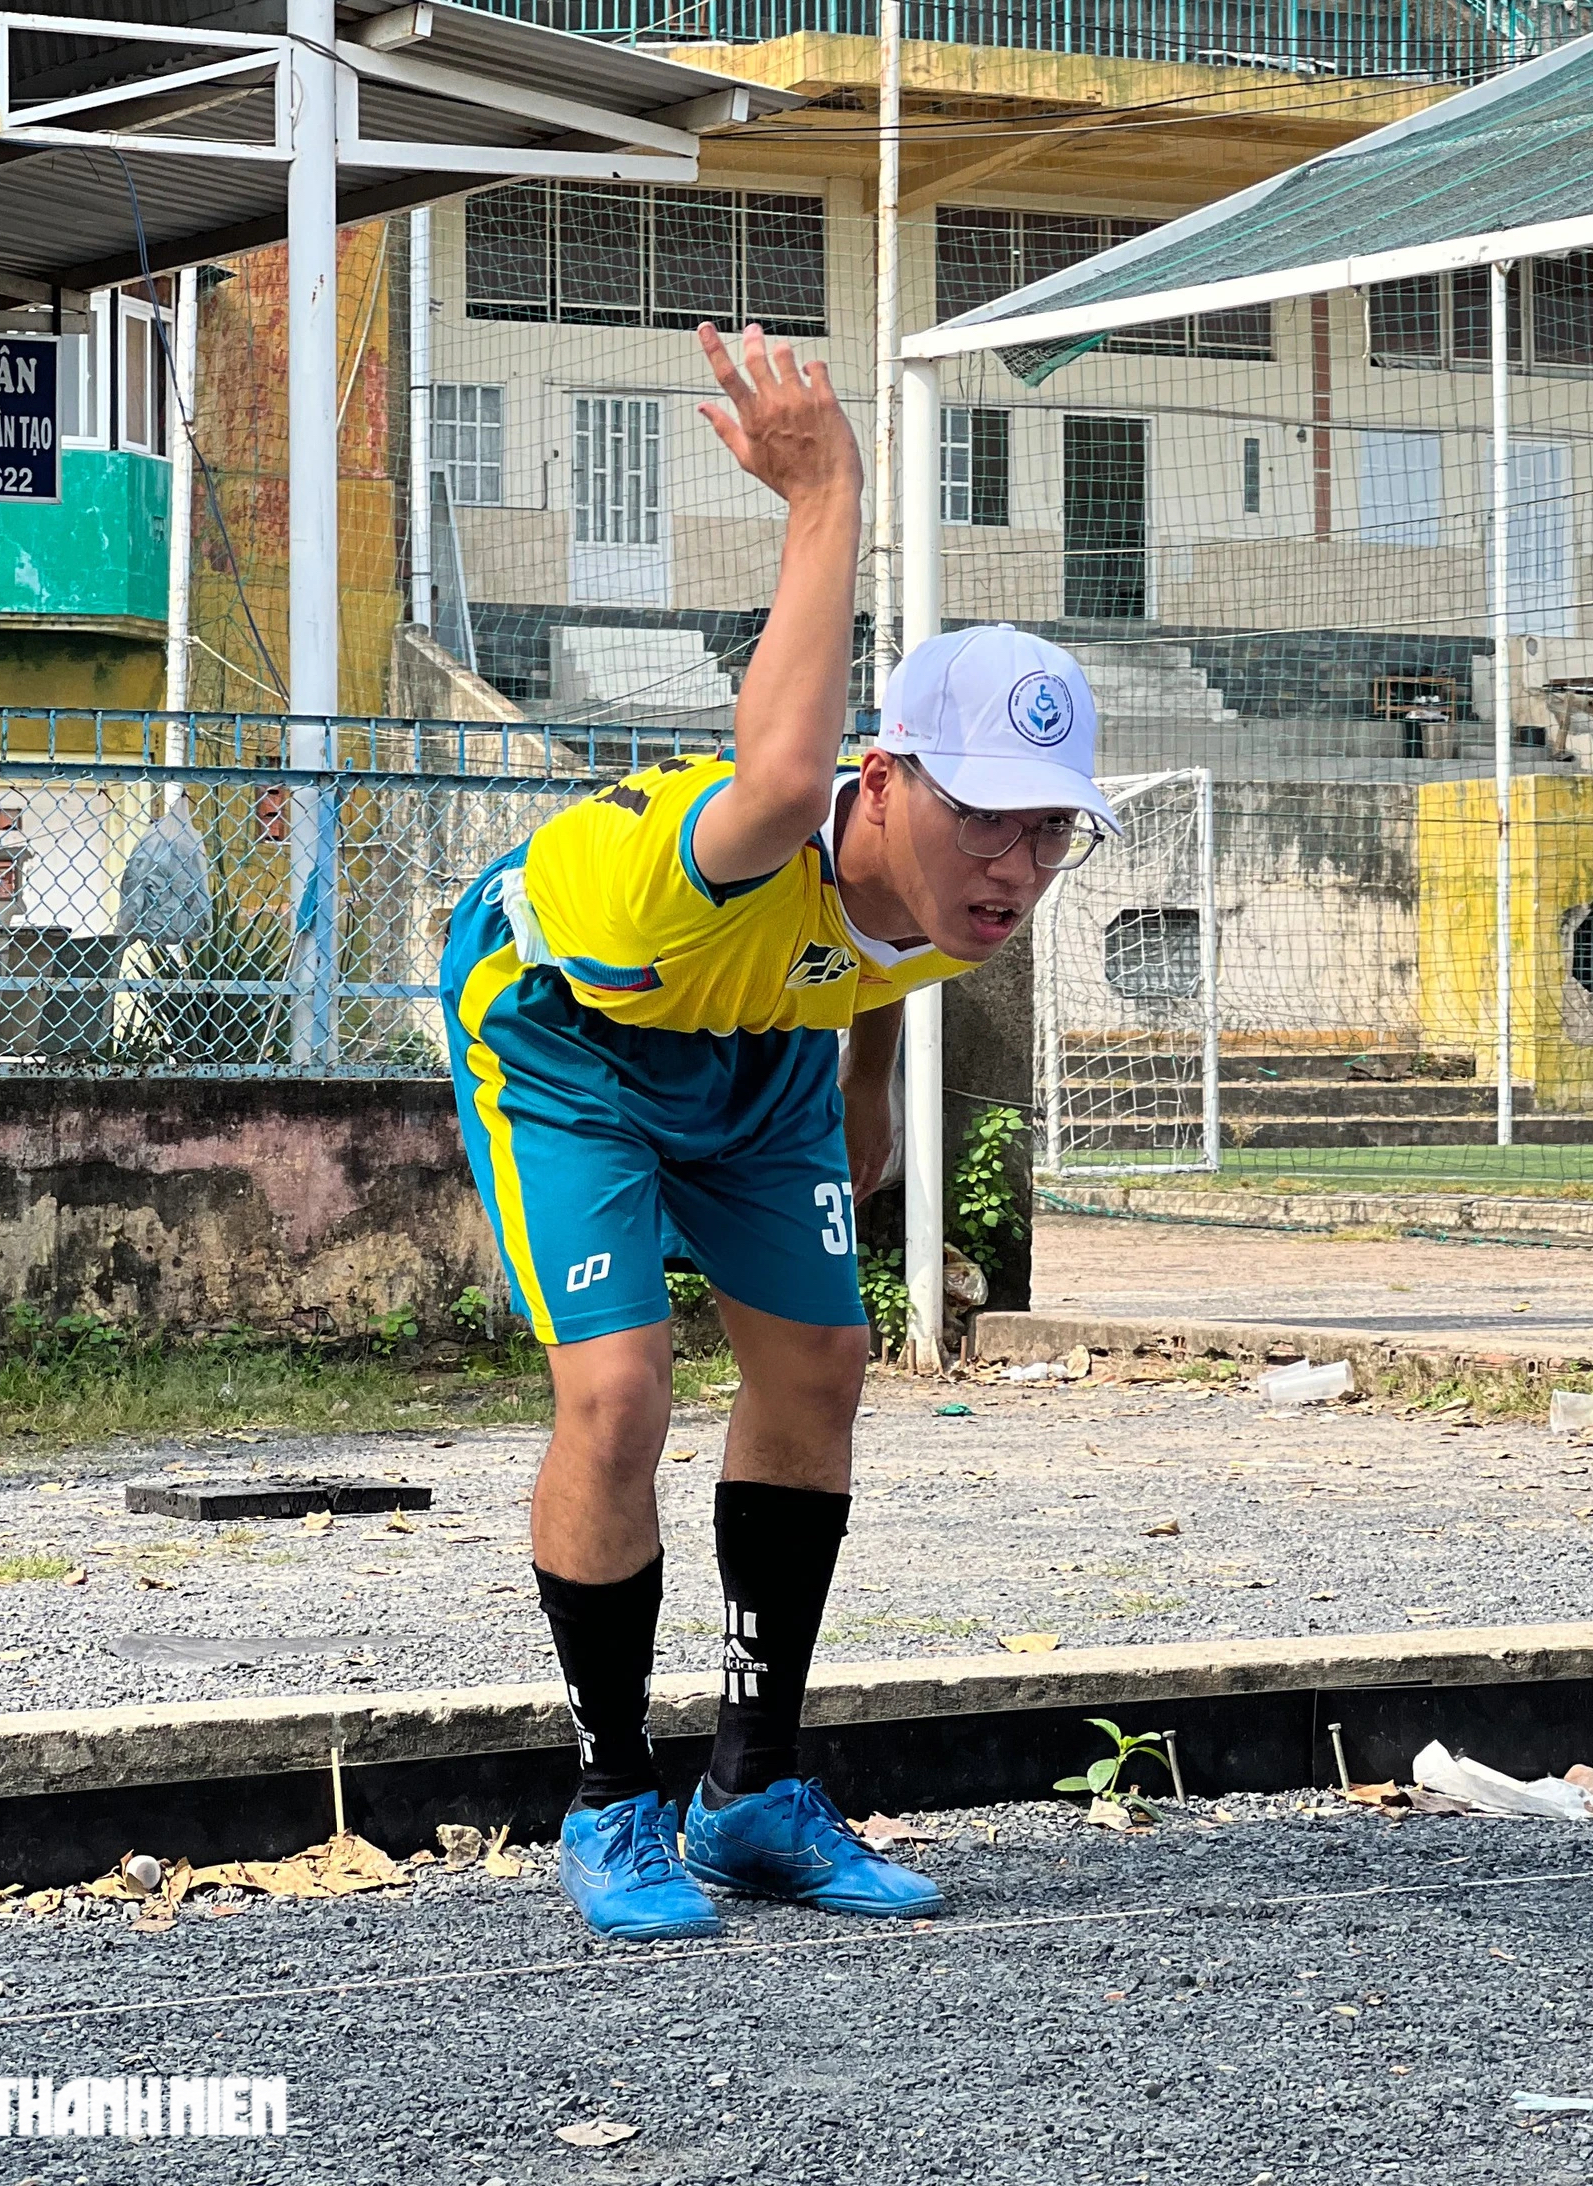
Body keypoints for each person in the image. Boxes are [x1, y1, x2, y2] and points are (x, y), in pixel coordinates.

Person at [439, 321, 1117, 1943]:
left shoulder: (965, 904)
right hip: (563, 1036)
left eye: (1048, 829)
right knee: (620, 1391)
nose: (1014, 864)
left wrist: (871, 1080)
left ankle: (748, 1793)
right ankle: (611, 1800)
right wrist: (828, 497)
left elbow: (887, 955)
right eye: (979, 812)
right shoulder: (745, 837)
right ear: (883, 781)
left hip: (758, 1058)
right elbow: (782, 761)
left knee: (820, 1365)